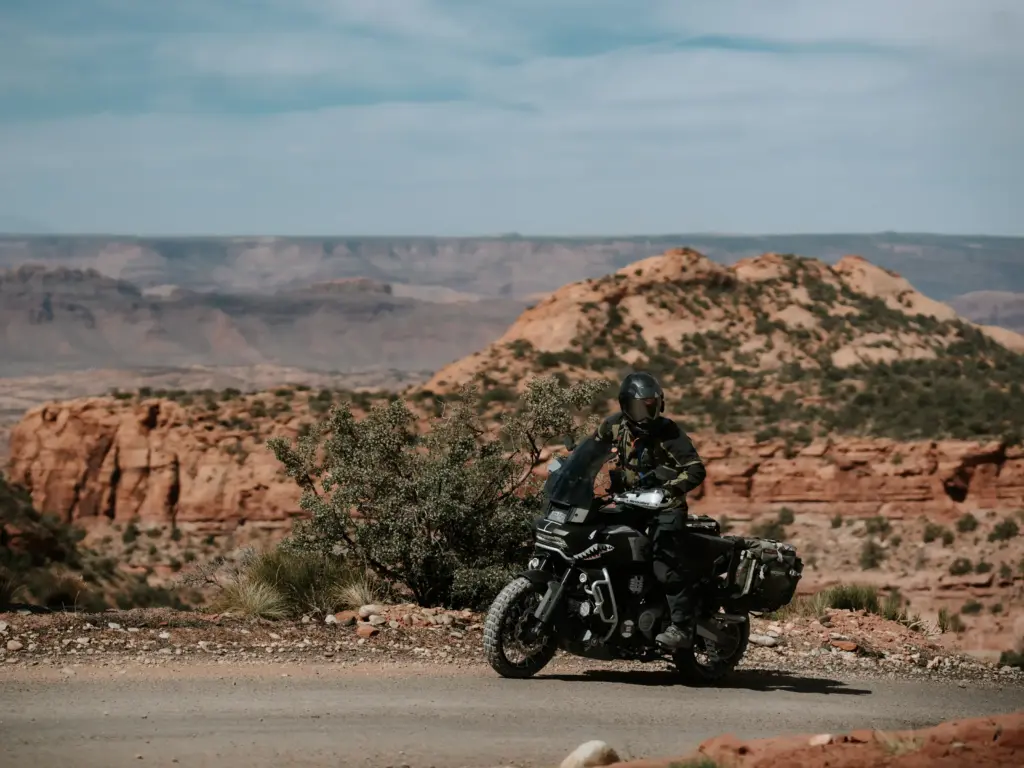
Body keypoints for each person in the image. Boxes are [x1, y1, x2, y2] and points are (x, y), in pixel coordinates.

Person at [593, 371, 707, 650]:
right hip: (630, 502)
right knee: (598, 541)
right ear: (625, 406)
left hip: (665, 507)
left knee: (664, 563)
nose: (646, 414)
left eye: (651, 406)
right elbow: (590, 451)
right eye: (639, 408)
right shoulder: (614, 426)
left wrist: (668, 490)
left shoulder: (669, 432)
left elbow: (695, 470)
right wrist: (571, 469)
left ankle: (680, 627)